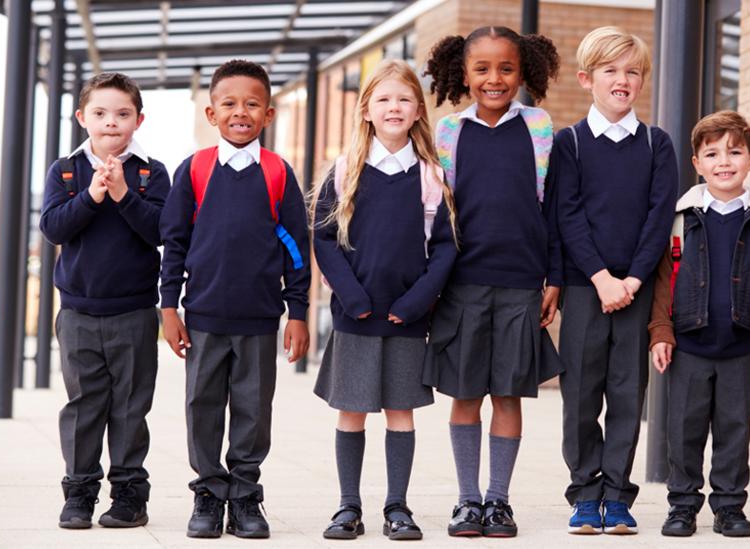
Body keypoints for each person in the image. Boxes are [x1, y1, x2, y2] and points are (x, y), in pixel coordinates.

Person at [159, 59, 310, 539]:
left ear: (268, 114)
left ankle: (245, 495)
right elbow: (174, 244)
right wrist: (168, 308)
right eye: (229, 103)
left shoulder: (278, 174)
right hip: (202, 318)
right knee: (202, 406)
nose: (240, 112)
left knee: (252, 409)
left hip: (260, 320)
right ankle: (208, 493)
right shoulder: (196, 170)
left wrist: (298, 312)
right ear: (211, 113)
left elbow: (296, 249)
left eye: (251, 104)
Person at [422, 25, 562, 538]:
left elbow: (551, 210)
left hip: (522, 283)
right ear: (464, 73)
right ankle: (466, 501)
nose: (494, 78)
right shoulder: (448, 133)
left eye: (505, 68)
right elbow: (438, 214)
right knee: (464, 395)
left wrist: (555, 278)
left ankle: (498, 500)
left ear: (523, 71)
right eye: (482, 69)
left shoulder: (540, 127)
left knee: (508, 395)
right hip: (461, 285)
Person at [311, 59, 459, 542]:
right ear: (366, 109)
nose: (394, 107)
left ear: (418, 109)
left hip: (407, 317)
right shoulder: (346, 169)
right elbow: (325, 240)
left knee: (400, 412)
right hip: (357, 313)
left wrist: (419, 300)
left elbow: (444, 247)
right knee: (351, 410)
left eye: (403, 99)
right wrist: (351, 296)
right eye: (384, 99)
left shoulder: (430, 174)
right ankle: (347, 506)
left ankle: (397, 506)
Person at [552, 26, 678, 535]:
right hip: (586, 289)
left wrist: (630, 280)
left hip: (636, 288)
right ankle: (585, 494)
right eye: (610, 71)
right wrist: (601, 277)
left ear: (643, 80)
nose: (621, 80)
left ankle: (618, 497)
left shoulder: (656, 144)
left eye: (631, 71)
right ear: (587, 79)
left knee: (628, 393)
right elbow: (567, 214)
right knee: (581, 394)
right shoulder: (571, 144)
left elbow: (658, 217)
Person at [649, 110, 750, 538]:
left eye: (734, 152)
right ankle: (682, 506)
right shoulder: (681, 217)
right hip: (689, 346)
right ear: (697, 163)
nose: (724, 162)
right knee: (684, 431)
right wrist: (661, 331)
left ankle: (730, 506)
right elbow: (663, 281)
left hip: (739, 346)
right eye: (712, 153)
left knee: (734, 430)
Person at [40, 72, 170, 530]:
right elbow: (54, 228)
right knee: (83, 405)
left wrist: (122, 194)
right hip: (77, 313)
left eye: (122, 114)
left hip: (133, 312)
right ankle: (79, 492)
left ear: (138, 120)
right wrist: (95, 195)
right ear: (82, 118)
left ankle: (130, 494)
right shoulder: (66, 170)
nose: (110, 122)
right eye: (99, 113)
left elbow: (161, 232)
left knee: (131, 407)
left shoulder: (151, 172)